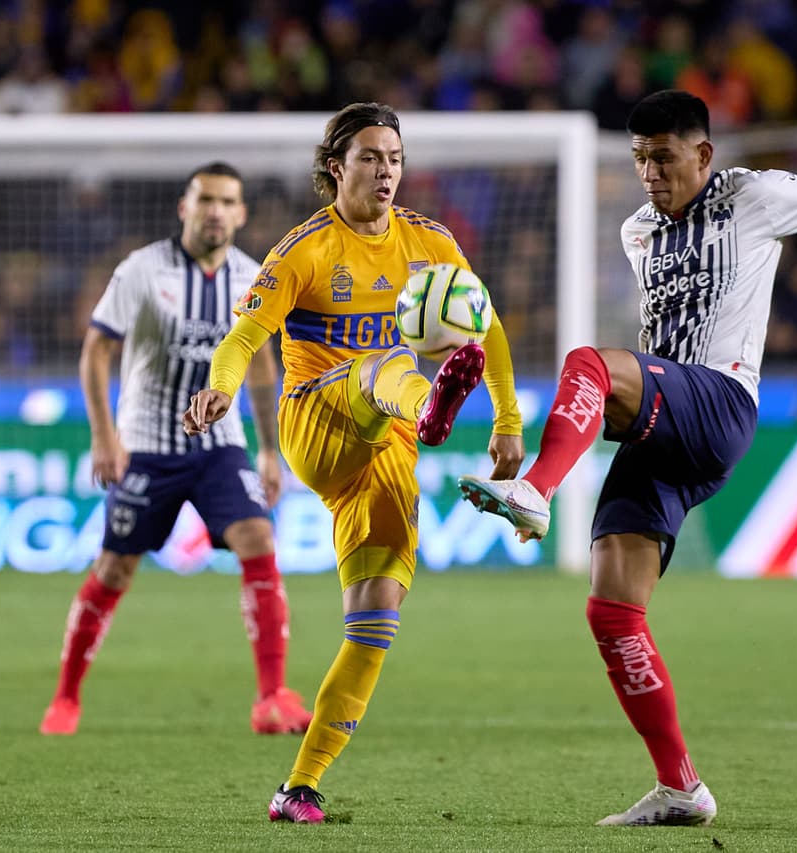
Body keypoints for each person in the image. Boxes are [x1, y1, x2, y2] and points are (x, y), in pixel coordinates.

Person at [458, 90, 797, 827]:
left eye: (662, 158)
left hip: (720, 403)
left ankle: (536, 488)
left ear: (703, 154)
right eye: (638, 160)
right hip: (667, 425)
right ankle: (681, 787)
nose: (649, 173)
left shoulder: (756, 194)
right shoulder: (637, 231)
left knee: (588, 362)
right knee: (611, 611)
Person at [182, 102, 525, 824]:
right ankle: (430, 403)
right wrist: (219, 391)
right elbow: (243, 339)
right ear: (337, 167)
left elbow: (487, 325)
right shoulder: (305, 248)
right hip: (317, 419)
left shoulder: (428, 241)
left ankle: (298, 786)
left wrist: (507, 417)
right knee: (385, 360)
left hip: (383, 452)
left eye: (395, 157)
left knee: (374, 623)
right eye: (370, 156)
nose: (387, 170)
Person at [40, 162, 313, 737]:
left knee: (259, 539)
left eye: (227, 201)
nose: (216, 210)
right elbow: (95, 352)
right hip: (147, 446)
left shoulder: (254, 277)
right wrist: (103, 435)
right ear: (184, 207)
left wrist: (268, 450)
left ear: (241, 213)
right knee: (114, 568)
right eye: (206, 199)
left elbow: (263, 365)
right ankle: (66, 698)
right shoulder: (142, 270)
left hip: (220, 446)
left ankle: (272, 697)